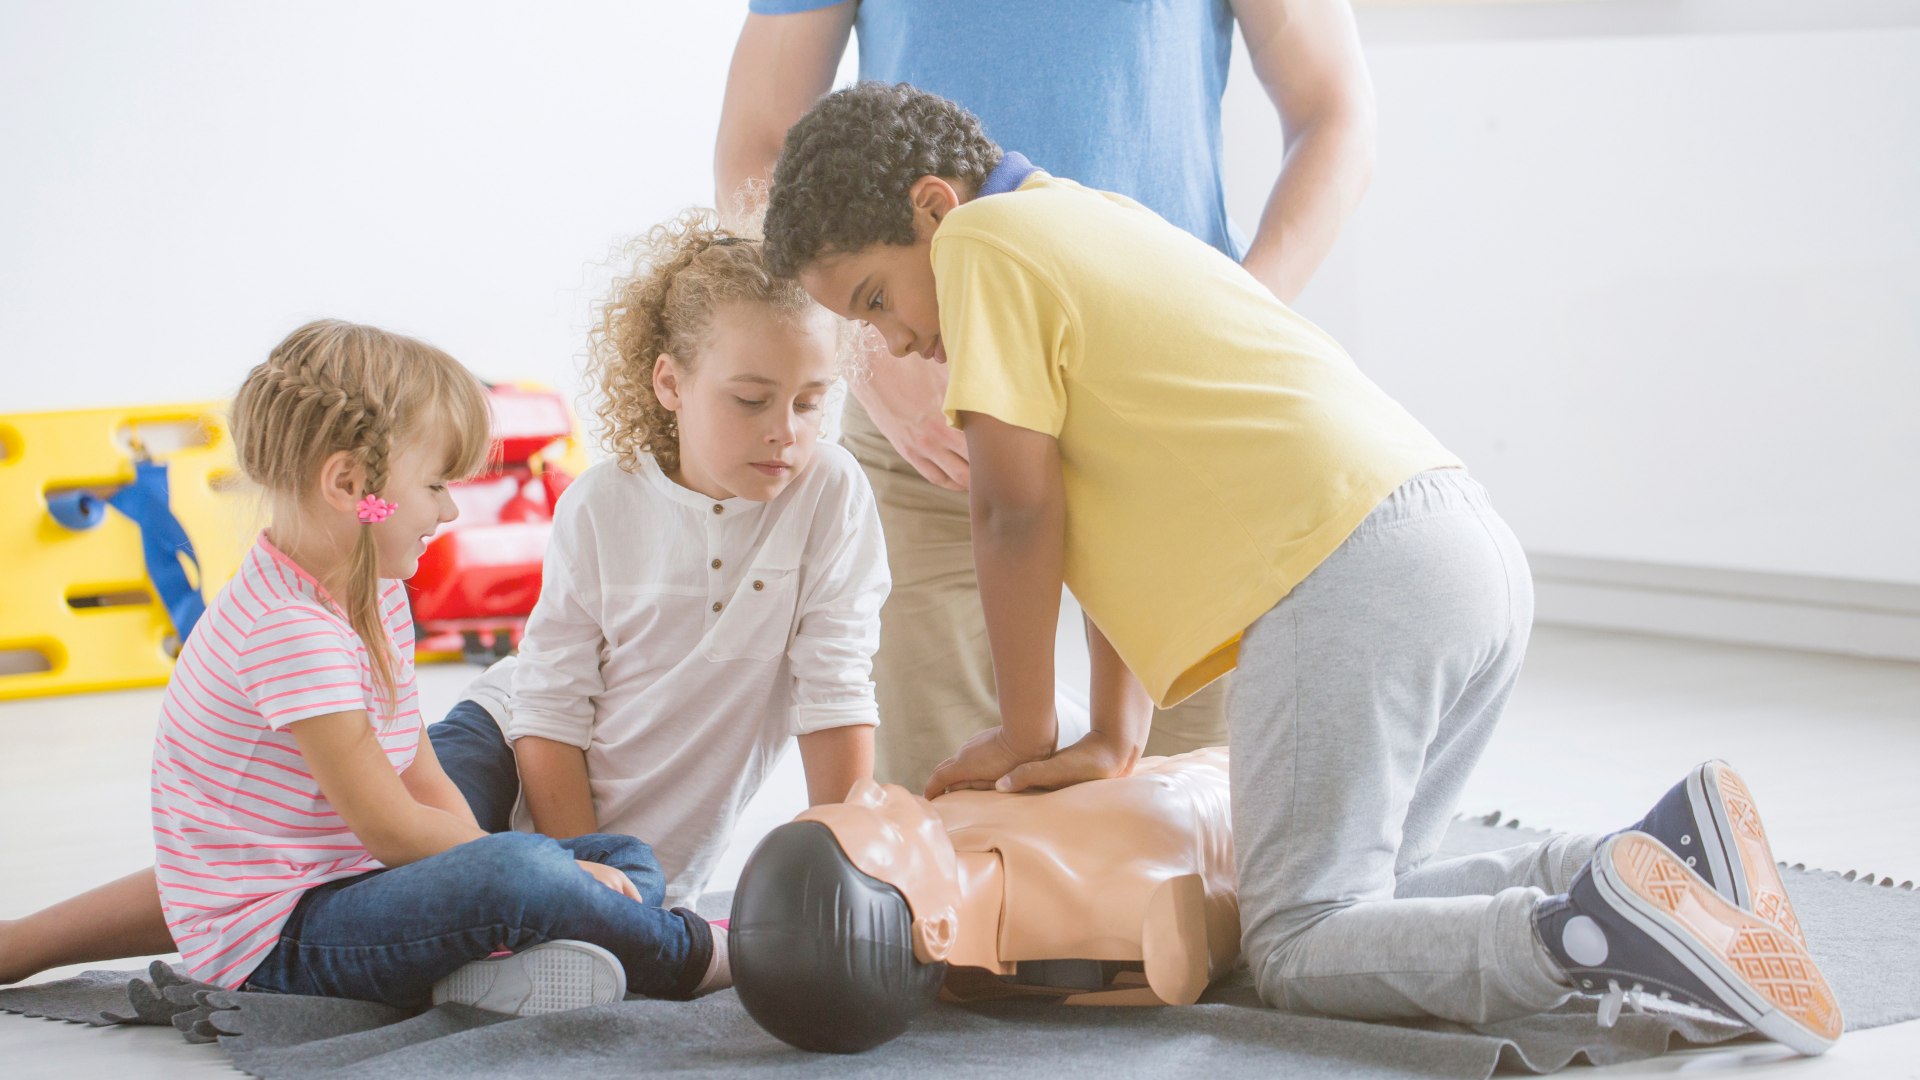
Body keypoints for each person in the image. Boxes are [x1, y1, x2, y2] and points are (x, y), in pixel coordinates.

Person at [755, 83, 1842, 1055]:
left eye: (875, 300)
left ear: (932, 209)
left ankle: (1585, 939)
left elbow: (1016, 512)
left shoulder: (983, 249)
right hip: (1455, 543)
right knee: (1379, 903)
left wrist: (1026, 729)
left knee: (1298, 943)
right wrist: (1114, 733)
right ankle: (1664, 861)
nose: (893, 343)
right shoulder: (1083, 218)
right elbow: (1093, 512)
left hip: (1344, 580)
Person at [0, 222, 890, 1009]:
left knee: (611, 865)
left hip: (341, 866)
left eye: (811, 401)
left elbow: (413, 771)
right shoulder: (293, 630)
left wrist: (535, 875)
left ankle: (517, 944)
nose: (452, 510)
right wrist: (525, 874)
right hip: (292, 923)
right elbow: (393, 825)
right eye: (435, 486)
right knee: (530, 875)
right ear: (353, 486)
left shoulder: (370, 589)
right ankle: (695, 956)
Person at [714, 0, 1377, 791]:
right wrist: (881, 365)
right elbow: (759, 148)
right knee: (952, 810)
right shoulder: (907, 332)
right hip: (927, 428)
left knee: (1199, 814)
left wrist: (1220, 322)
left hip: (1168, 424)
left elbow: (1335, 110)